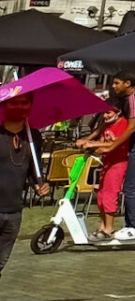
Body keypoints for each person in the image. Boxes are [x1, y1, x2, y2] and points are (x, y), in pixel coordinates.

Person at [83, 73, 135, 239]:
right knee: (130, 187)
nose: (114, 86)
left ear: (127, 83)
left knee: (130, 187)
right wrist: (89, 139)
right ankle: (129, 225)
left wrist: (111, 146)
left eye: (117, 83)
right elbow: (105, 125)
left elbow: (131, 128)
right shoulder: (123, 98)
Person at [0, 93, 51, 281]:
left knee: (0, 263)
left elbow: (32, 168)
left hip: (14, 211)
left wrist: (39, 184)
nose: (19, 107)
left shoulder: (33, 136)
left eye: (24, 103)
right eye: (14, 103)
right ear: (5, 106)